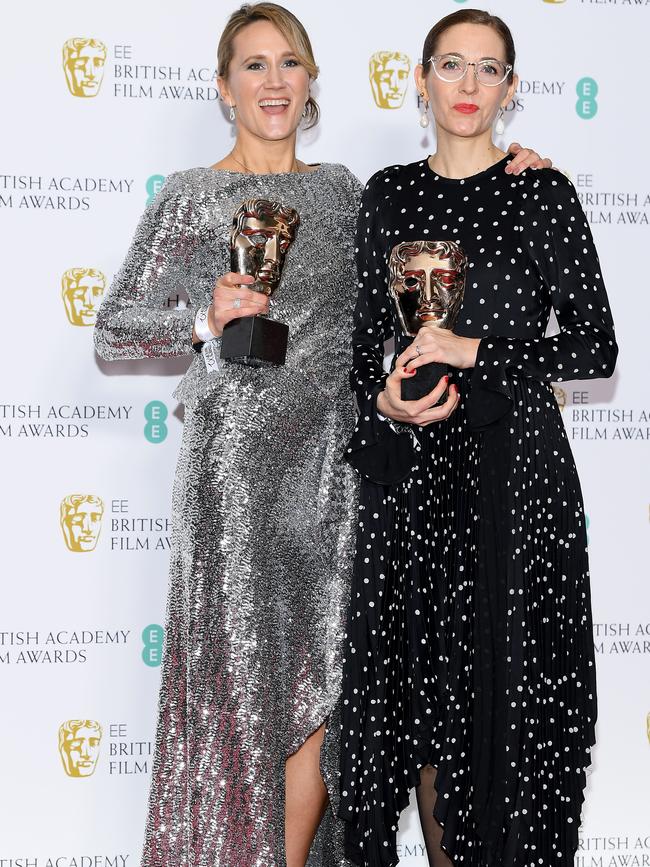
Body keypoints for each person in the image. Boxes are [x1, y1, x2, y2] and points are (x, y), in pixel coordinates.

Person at [94, 3, 550, 864]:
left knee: (325, 690)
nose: (273, 81)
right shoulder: (192, 196)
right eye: (254, 66)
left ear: (309, 85)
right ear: (223, 87)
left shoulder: (346, 191)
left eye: (288, 64)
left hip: (336, 474)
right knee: (243, 690)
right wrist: (202, 318)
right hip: (232, 482)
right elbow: (114, 327)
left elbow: (433, 246)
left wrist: (516, 167)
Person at [338, 8, 617, 867]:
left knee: (509, 701)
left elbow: (594, 345)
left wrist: (477, 349)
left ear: (511, 88)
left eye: (487, 69)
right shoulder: (387, 192)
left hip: (517, 479)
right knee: (426, 708)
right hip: (419, 479)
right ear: (420, 80)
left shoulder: (543, 191)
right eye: (450, 65)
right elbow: (358, 350)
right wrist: (383, 400)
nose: (467, 86)